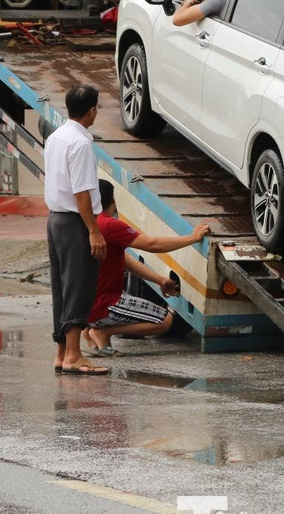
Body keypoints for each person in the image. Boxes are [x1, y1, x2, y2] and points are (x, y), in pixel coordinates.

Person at [84, 179, 210, 356]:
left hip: (86, 303)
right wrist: (192, 238)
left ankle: (92, 328)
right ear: (112, 200)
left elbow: (125, 260)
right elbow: (152, 244)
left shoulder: (89, 225)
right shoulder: (109, 224)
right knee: (165, 322)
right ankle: (102, 331)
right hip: (105, 303)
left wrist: (158, 279)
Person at [43, 85, 110, 376]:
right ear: (92, 109)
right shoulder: (81, 143)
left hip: (56, 219)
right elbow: (82, 192)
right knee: (78, 288)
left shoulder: (56, 136)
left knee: (62, 287)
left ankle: (61, 354)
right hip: (74, 222)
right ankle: (73, 355)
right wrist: (94, 231)